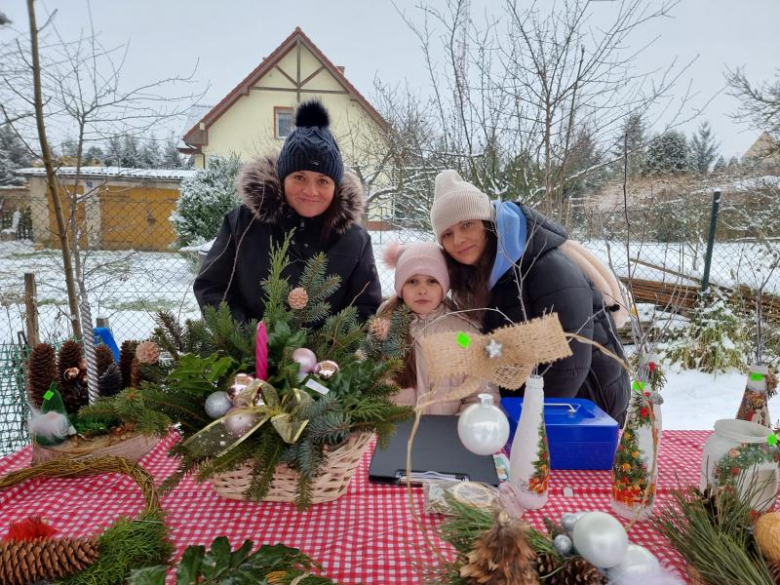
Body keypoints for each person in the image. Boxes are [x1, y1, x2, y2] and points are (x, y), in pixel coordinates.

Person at [429, 170, 630, 424]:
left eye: (467, 224)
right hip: (530, 407)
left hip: (583, 409)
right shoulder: (480, 277)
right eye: (447, 234)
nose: (458, 239)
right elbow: (484, 345)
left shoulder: (547, 268)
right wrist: (449, 333)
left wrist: (530, 428)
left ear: (487, 223)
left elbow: (569, 359)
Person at [193, 100, 382, 325]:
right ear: (282, 179)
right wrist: (248, 339)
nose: (311, 191)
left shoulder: (355, 239)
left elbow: (366, 305)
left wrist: (326, 347)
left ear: (336, 187)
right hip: (247, 356)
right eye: (299, 177)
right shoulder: (242, 223)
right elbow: (212, 287)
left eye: (323, 181)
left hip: (325, 359)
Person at [379, 241, 500, 414]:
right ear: (400, 287)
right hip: (394, 433)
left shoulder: (461, 334)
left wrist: (465, 426)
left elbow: (481, 390)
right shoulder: (385, 327)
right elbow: (363, 379)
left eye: (432, 281)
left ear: (444, 286)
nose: (422, 290)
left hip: (449, 434)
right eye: (412, 281)